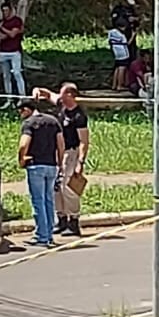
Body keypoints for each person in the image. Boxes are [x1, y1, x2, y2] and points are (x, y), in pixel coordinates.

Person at [16, 96, 64, 247]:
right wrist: (60, 163)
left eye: (20, 112)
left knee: (38, 201)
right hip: (51, 165)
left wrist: (22, 159)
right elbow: (61, 144)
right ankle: (49, 233)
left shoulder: (29, 123)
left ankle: (41, 236)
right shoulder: (53, 121)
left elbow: (24, 144)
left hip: (35, 165)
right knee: (49, 200)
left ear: (26, 110)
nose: (20, 115)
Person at [50, 82, 89, 237]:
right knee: (57, 187)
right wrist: (38, 91)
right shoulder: (62, 106)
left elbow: (84, 141)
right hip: (58, 152)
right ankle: (61, 219)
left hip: (71, 153)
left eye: (63, 94)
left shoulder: (79, 116)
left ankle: (73, 222)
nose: (60, 97)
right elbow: (48, 95)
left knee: (68, 187)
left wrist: (80, 162)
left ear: (71, 95)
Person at [0, 3, 26, 98]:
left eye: (7, 10)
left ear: (10, 10)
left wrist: (3, 29)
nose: (5, 13)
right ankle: (9, 98)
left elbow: (13, 34)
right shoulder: (1, 22)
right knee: (6, 76)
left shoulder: (16, 21)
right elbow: (1, 36)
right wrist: (8, 33)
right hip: (4, 51)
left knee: (17, 73)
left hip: (14, 52)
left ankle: (22, 96)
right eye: (3, 11)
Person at [107, 18, 132, 91]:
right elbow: (128, 43)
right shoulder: (121, 35)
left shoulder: (111, 32)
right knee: (122, 68)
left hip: (116, 52)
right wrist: (133, 35)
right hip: (123, 52)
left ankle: (114, 85)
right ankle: (119, 85)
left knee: (117, 68)